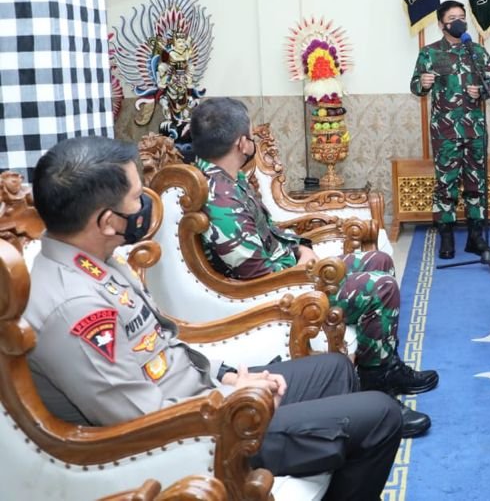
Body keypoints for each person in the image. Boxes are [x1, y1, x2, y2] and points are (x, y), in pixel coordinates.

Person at [25, 136, 403, 500]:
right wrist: (232, 400)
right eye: (137, 198)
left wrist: (228, 377)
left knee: (335, 370)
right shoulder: (75, 309)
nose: (145, 206)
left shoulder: (97, 263)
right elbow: (144, 427)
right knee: (381, 416)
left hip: (202, 398)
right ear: (108, 221)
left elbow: (167, 344)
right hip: (198, 440)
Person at [189, 97, 436, 438]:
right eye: (251, 135)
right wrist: (302, 265)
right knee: (379, 286)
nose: (253, 140)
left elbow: (270, 233)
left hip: (288, 273)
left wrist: (301, 247)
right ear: (241, 143)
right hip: (274, 294)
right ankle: (376, 389)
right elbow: (254, 273)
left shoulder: (228, 179)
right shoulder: (219, 196)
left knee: (379, 260)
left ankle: (385, 365)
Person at [410, 0, 490, 260]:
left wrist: (481, 90)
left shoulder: (477, 51)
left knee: (476, 183)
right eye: (452, 18)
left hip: (475, 129)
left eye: (462, 17)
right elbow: (415, 87)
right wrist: (423, 82)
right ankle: (446, 237)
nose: (459, 22)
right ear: (441, 24)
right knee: (446, 184)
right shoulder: (429, 53)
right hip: (445, 131)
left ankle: (475, 237)